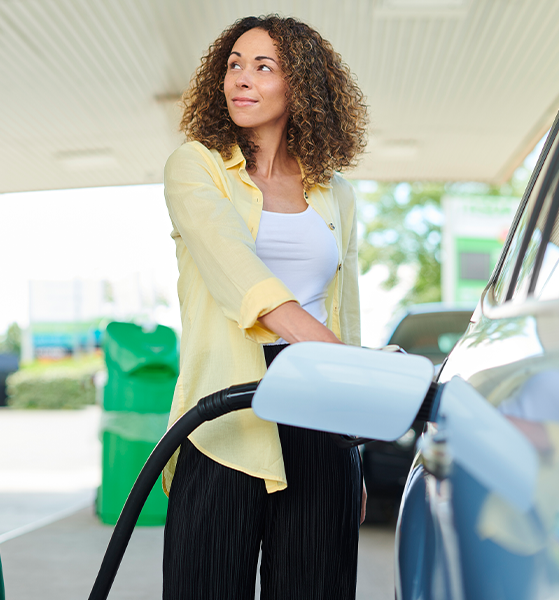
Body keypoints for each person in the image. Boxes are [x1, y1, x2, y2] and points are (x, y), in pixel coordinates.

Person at [159, 14, 368, 600]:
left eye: (262, 66)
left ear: (299, 84)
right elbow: (234, 267)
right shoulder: (198, 167)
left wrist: (349, 425)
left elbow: (343, 306)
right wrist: (343, 359)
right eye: (233, 65)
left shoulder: (334, 191)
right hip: (224, 416)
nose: (240, 79)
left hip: (318, 410)